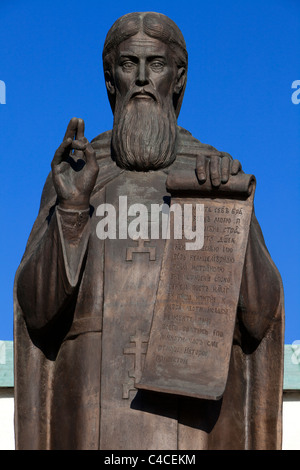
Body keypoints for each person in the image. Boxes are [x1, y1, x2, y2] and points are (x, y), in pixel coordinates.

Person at [14, 12, 284, 450]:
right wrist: (72, 209)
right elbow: (38, 312)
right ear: (110, 79)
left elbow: (259, 317)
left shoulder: (209, 173)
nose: (141, 78)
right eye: (127, 65)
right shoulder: (78, 173)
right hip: (88, 415)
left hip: (202, 425)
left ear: (177, 80)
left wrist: (229, 210)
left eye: (156, 65)